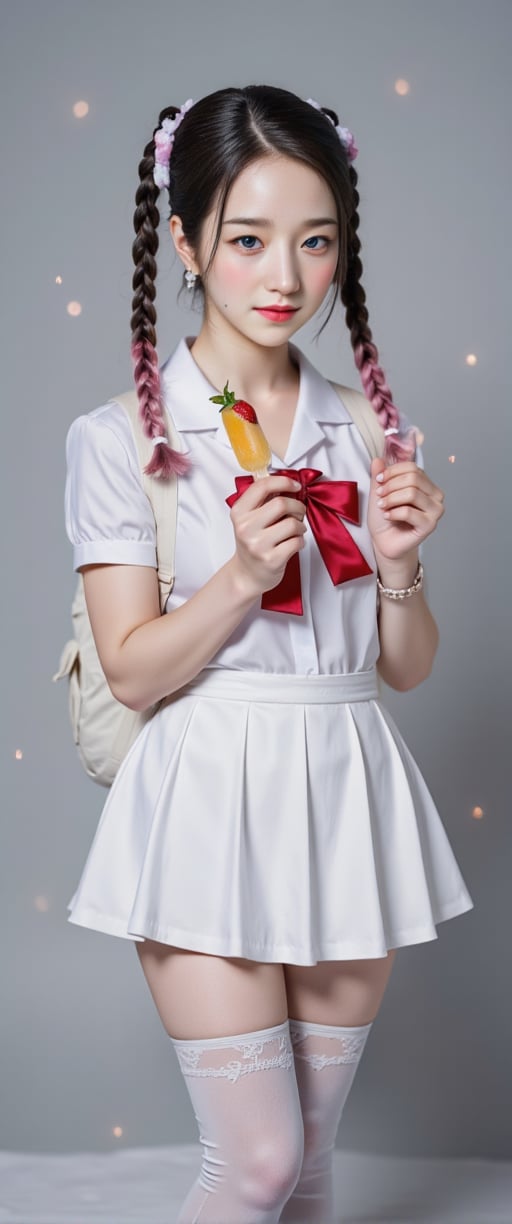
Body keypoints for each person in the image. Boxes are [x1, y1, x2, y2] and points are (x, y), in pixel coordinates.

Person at [64, 85, 474, 1223]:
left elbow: (404, 667)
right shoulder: (118, 441)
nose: (283, 276)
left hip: (347, 786)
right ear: (187, 241)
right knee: (249, 1165)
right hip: (204, 793)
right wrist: (240, 577)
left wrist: (397, 564)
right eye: (246, 240)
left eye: (314, 240)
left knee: (306, 1169)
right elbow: (135, 669)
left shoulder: (364, 425)